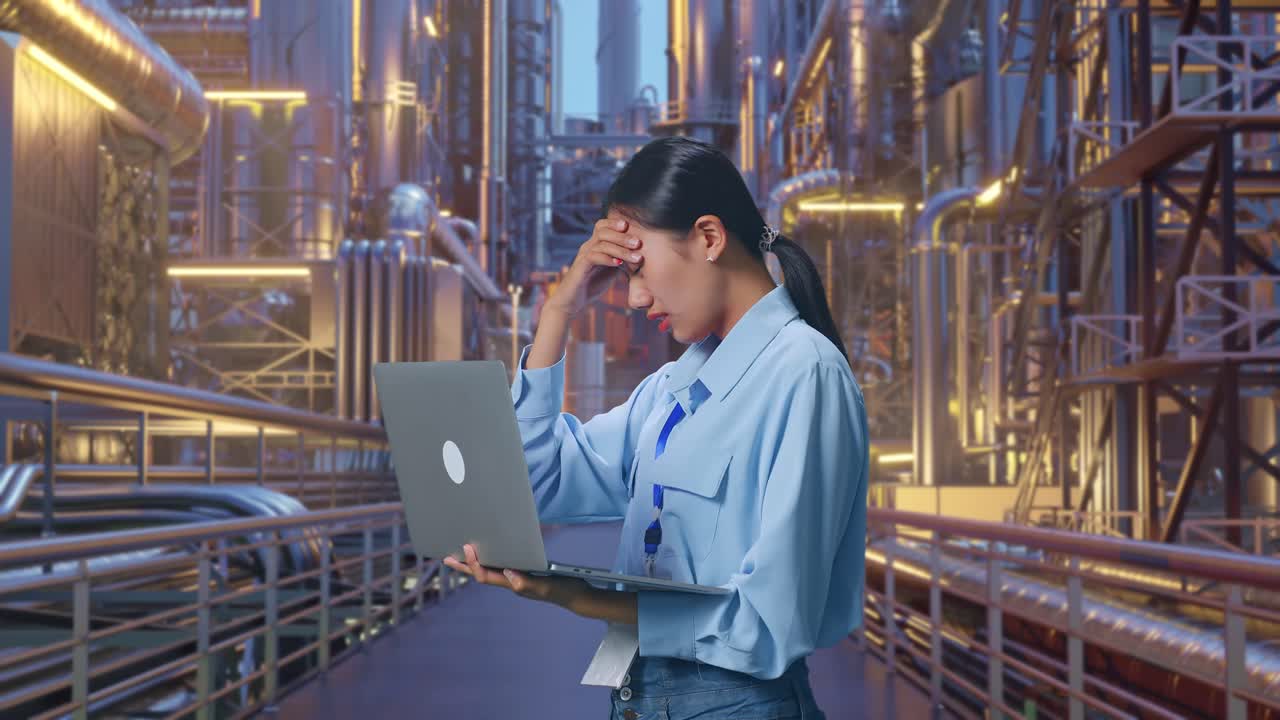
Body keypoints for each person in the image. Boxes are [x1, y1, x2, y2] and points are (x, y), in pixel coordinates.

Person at [443, 136, 868, 720]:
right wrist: (557, 314)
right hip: (640, 697)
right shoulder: (670, 390)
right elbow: (535, 484)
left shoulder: (805, 376)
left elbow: (768, 623)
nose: (636, 298)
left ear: (710, 238)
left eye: (638, 269)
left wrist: (579, 597)